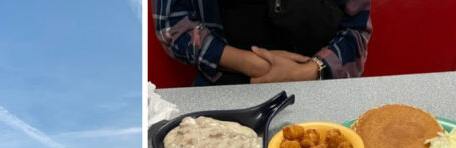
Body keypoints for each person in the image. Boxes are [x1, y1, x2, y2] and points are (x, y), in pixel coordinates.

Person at [154, 0, 371, 85]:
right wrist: (253, 64)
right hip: (225, 84)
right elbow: (171, 26)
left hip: (320, 83)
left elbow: (356, 30)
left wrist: (308, 71)